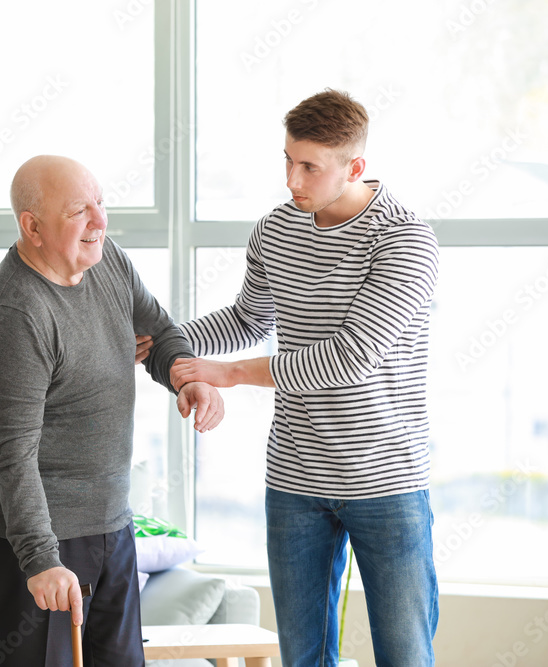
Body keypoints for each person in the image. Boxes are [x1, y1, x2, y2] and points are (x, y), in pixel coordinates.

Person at [170, 89, 440, 665]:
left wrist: (231, 374)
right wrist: (168, 341)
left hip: (385, 479)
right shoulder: (276, 230)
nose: (292, 179)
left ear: (355, 167)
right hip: (294, 476)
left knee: (405, 654)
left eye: (310, 166)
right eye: (288, 160)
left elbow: (349, 356)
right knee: (304, 657)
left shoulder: (404, 240)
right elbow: (248, 317)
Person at [0, 155, 224, 667]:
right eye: (81, 210)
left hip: (107, 518)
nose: (100, 222)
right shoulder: (15, 315)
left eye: (101, 203)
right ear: (32, 226)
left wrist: (186, 375)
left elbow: (159, 333)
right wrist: (39, 561)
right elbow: (14, 457)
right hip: (23, 525)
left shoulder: (107, 260)